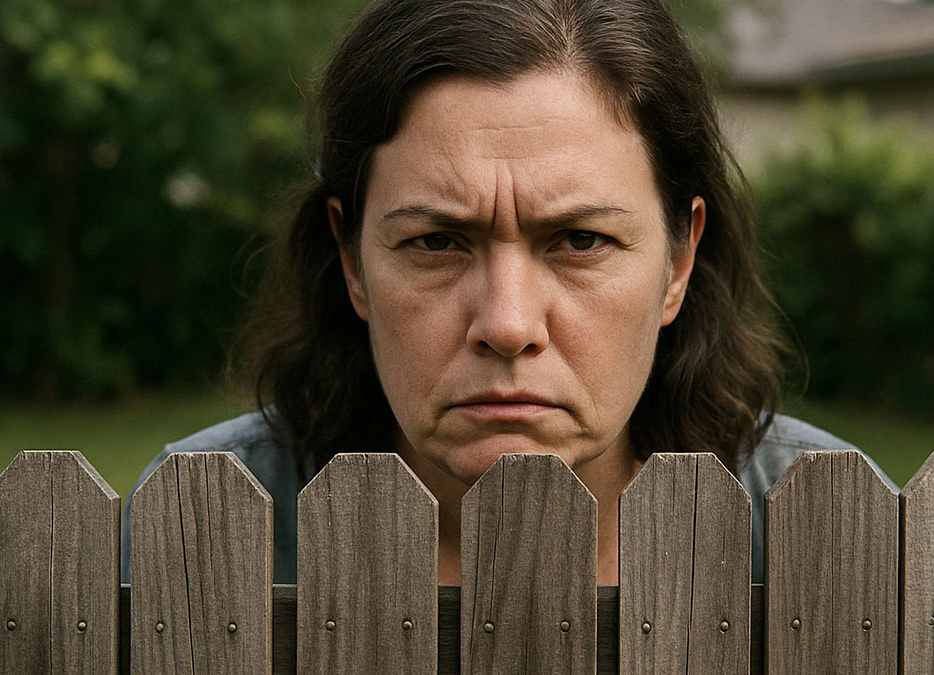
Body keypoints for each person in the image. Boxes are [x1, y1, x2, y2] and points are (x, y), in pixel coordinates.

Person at [122, 0, 892, 585]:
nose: (508, 323)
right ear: (352, 260)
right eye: (435, 242)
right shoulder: (195, 523)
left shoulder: (842, 534)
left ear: (680, 258)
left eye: (581, 241)